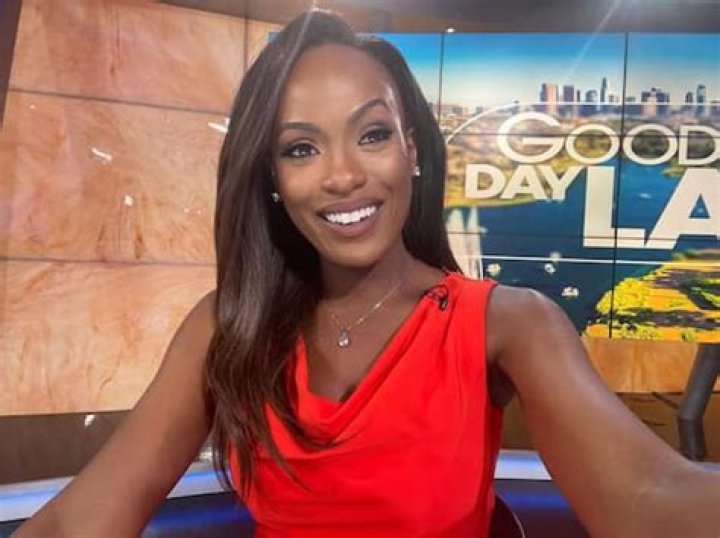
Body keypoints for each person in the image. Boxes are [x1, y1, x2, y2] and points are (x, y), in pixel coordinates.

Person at [15, 9, 720, 538]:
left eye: (372, 134)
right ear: (270, 177)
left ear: (411, 148)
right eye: (301, 148)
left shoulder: (509, 322)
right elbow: (81, 520)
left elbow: (648, 497)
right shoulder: (226, 326)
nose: (344, 175)